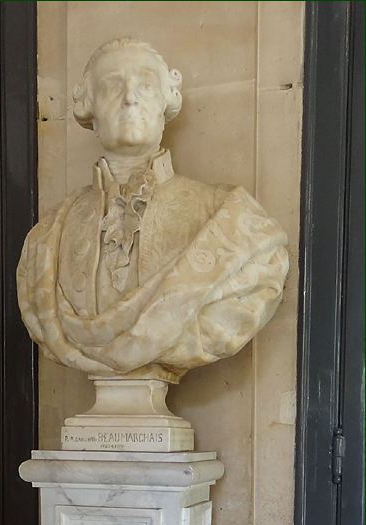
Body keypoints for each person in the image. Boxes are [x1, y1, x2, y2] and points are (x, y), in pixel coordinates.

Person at [17, 37, 289, 384]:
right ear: (89, 107)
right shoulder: (46, 239)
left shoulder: (232, 221)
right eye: (111, 86)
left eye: (145, 85)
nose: (130, 98)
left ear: (167, 100)